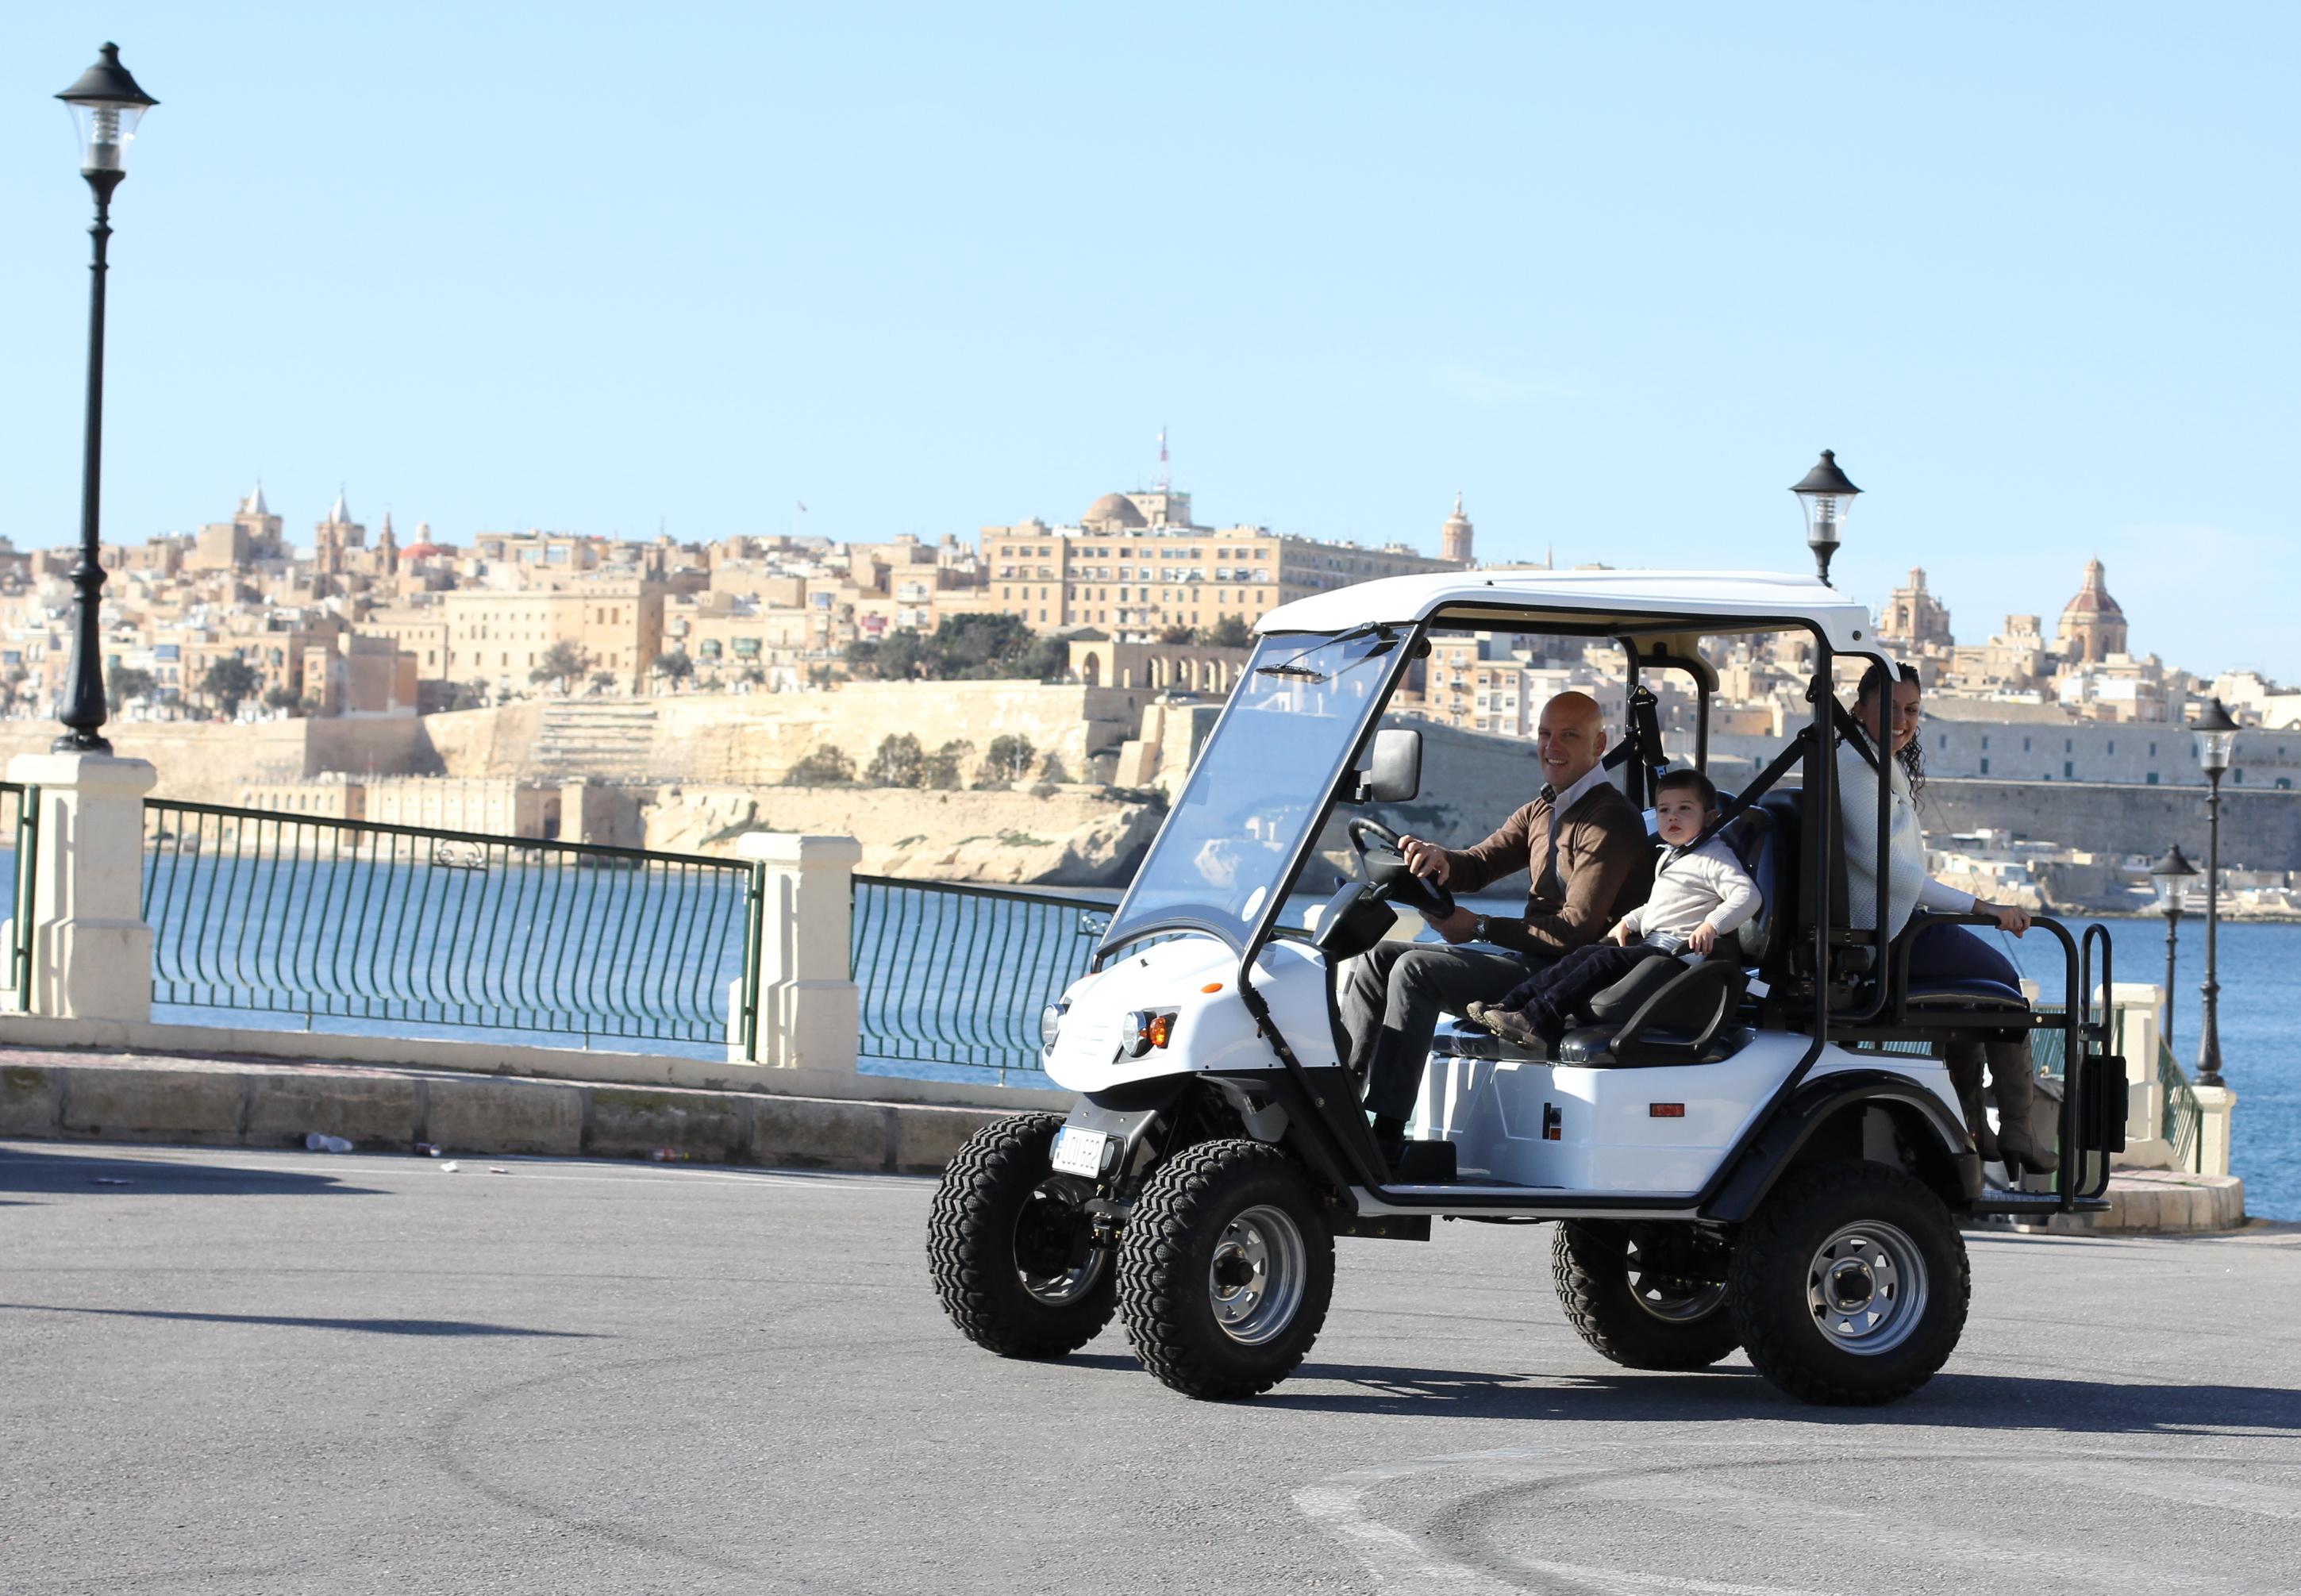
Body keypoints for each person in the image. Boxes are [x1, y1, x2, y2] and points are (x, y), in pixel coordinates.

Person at [1338, 690, 1650, 1170]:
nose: (1553, 747)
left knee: (1417, 970)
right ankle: (1341, 1106)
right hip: (1535, 960)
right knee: (1375, 959)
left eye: (1569, 736)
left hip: (1568, 974)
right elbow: (1480, 863)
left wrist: (1480, 926)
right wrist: (1439, 858)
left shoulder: (1609, 818)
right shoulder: (1543, 809)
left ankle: (1385, 1136)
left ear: (1599, 744)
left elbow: (1575, 931)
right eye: (1546, 734)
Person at [1842, 660, 2057, 1175]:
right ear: (1859, 709)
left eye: (1911, 709)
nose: (1902, 720)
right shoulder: (1854, 772)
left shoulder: (1868, 765)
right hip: (1890, 935)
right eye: (1890, 708)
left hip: (1898, 925)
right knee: (2003, 983)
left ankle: (1977, 1129)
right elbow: (1894, 873)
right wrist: (1983, 908)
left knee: (1979, 991)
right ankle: (2016, 1135)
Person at [1464, 768, 1760, 1048]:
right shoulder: (1675, 856)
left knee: (1600, 962)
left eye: (1685, 809)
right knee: (1583, 954)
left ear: (1710, 818)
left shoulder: (1714, 857)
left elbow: (1747, 895)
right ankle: (1511, 1006)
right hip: (1654, 944)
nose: (1673, 818)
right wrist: (1628, 922)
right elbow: (1662, 906)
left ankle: (1537, 1020)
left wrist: (1712, 925)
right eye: (1664, 810)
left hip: (1677, 953)